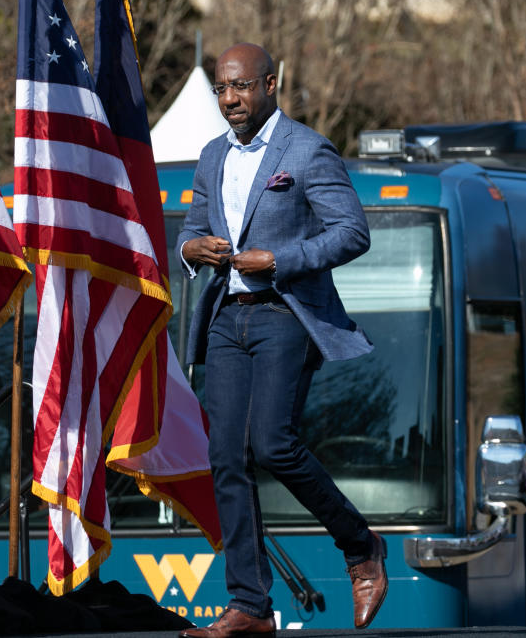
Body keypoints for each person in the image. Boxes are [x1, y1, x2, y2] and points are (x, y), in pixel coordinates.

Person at [176, 43, 385, 638]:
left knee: (272, 445)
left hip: (283, 313)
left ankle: (361, 544)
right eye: (221, 89)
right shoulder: (212, 156)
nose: (229, 100)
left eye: (240, 87)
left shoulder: (306, 148)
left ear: (270, 84)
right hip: (225, 318)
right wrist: (193, 251)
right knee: (225, 458)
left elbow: (352, 232)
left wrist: (284, 259)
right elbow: (191, 232)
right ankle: (251, 604)